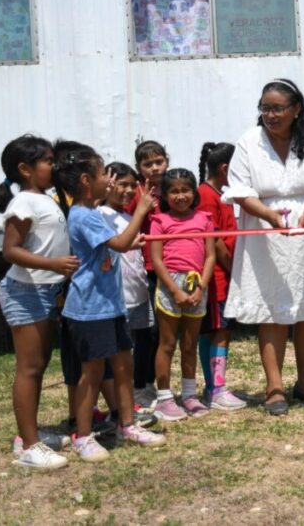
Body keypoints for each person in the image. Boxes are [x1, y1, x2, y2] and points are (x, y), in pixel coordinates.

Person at [223, 78, 304, 416]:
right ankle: (274, 387)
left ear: (295, 109)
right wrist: (268, 215)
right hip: (264, 232)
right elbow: (240, 190)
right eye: (265, 108)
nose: (270, 115)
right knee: (272, 308)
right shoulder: (249, 142)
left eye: (278, 108)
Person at [52, 141, 165, 462]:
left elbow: (116, 242)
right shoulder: (82, 216)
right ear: (86, 181)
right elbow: (119, 244)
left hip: (111, 306)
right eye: (104, 174)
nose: (110, 181)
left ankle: (127, 425)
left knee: (124, 366)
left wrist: (130, 232)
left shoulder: (91, 211)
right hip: (89, 309)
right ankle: (83, 436)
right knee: (92, 373)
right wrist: (141, 210)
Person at [0, 135, 76, 470]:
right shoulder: (24, 203)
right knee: (29, 368)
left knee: (38, 365)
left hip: (43, 291)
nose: (54, 167)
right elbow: (10, 250)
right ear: (25, 169)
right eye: (48, 161)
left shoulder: (45, 197)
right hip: (25, 292)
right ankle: (29, 446)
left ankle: (28, 434)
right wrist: (53, 264)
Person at [149, 168, 216, 421]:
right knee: (167, 343)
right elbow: (157, 260)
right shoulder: (159, 221)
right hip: (170, 284)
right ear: (165, 195)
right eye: (174, 191)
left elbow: (210, 256)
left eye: (185, 190)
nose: (180, 196)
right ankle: (165, 398)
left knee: (190, 343)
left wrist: (201, 288)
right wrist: (175, 290)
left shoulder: (204, 219)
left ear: (194, 192)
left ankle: (189, 394)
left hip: (197, 283)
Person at [99, 163, 155, 410]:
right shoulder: (100, 214)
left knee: (137, 345)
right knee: (119, 352)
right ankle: (121, 402)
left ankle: (134, 392)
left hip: (137, 292)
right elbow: (116, 245)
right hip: (117, 296)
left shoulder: (129, 217)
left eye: (133, 185)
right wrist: (142, 210)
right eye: (122, 184)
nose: (129, 190)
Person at [196, 142, 246, 410]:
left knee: (216, 330)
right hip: (217, 277)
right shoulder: (207, 195)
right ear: (225, 169)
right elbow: (214, 240)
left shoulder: (220, 194)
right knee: (218, 331)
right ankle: (215, 389)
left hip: (223, 275)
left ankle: (213, 387)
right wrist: (231, 268)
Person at [128, 139, 169, 407]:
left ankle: (155, 382)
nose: (154, 168)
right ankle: (140, 384)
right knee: (147, 330)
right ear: (139, 167)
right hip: (145, 268)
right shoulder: (135, 193)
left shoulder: (174, 187)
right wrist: (142, 207)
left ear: (167, 161)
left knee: (166, 331)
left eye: (159, 161)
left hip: (172, 265)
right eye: (148, 164)